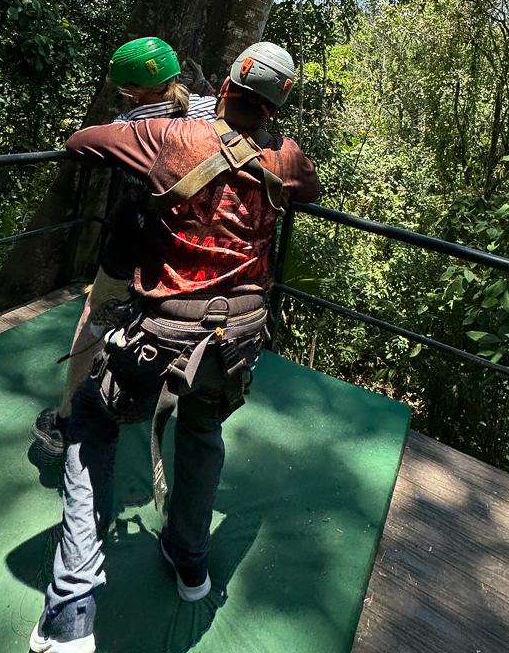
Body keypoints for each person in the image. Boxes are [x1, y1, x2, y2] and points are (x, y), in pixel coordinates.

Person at [29, 42, 320, 653]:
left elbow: (83, 142)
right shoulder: (288, 156)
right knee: (203, 433)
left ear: (228, 78)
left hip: (163, 330)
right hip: (239, 335)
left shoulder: (169, 137)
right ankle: (191, 563)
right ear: (280, 100)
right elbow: (308, 192)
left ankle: (72, 608)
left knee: (90, 419)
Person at [32, 37, 219, 460]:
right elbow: (204, 98)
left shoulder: (132, 129)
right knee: (163, 318)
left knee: (95, 316)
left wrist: (125, 118)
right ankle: (146, 397)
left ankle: (65, 419)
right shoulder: (210, 114)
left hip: (134, 236)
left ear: (132, 90)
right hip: (186, 244)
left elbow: (79, 143)